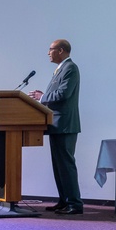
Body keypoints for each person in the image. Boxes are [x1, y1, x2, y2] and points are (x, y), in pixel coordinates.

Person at [29, 39, 83, 215]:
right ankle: (64, 200)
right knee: (59, 166)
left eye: (50, 49)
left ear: (60, 50)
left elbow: (63, 94)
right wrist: (42, 97)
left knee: (66, 165)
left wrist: (42, 97)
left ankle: (74, 203)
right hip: (56, 125)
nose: (48, 53)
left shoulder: (70, 68)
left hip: (65, 125)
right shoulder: (61, 69)